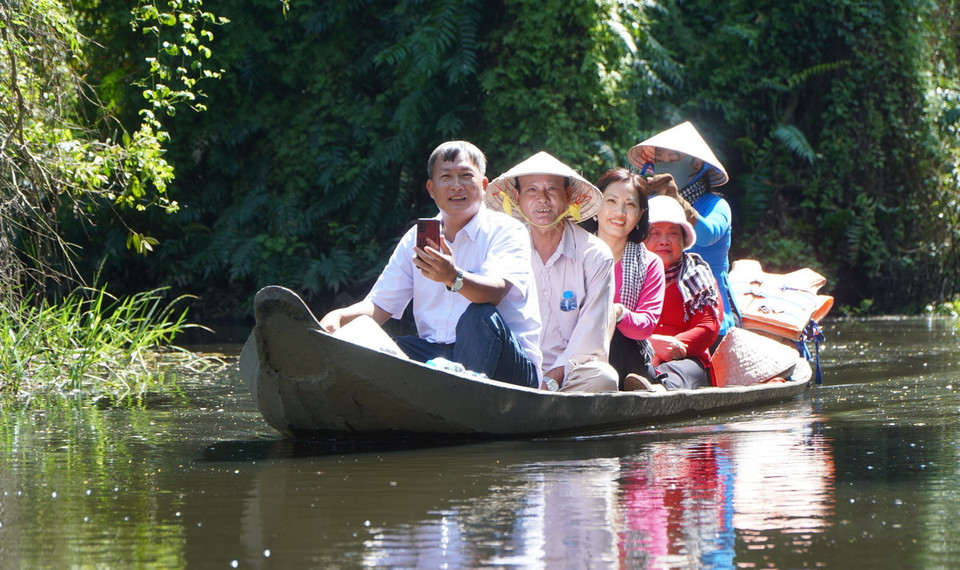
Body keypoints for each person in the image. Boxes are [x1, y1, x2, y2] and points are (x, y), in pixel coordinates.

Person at [319, 140, 542, 388]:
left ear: (484, 185)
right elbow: (379, 306)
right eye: (446, 177)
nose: (456, 186)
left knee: (480, 314)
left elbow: (496, 291)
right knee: (385, 346)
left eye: (466, 176)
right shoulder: (415, 239)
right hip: (440, 358)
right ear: (431, 188)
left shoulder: (507, 230)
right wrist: (338, 317)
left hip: (508, 365)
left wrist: (453, 277)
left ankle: (461, 399)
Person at [485, 151, 618, 393]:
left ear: (568, 196)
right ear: (517, 197)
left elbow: (589, 336)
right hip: (517, 366)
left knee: (604, 378)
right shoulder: (502, 247)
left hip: (570, 372)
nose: (542, 199)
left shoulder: (595, 254)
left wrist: (551, 379)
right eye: (532, 190)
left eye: (552, 189)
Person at [628, 122, 741, 340]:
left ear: (696, 165)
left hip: (709, 312)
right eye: (659, 160)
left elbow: (707, 235)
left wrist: (676, 199)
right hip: (657, 309)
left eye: (673, 159)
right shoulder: (651, 204)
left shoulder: (715, 205)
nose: (664, 165)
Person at [580, 168, 665, 386]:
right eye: (611, 201)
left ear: (639, 216)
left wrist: (616, 312)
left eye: (630, 204)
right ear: (596, 207)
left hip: (628, 356)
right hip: (573, 348)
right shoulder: (574, 252)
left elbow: (646, 324)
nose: (620, 211)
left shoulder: (650, 263)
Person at [636, 195, 720, 391]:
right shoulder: (628, 272)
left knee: (675, 373)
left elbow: (708, 327)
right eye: (654, 233)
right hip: (639, 355)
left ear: (683, 240)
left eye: (673, 233)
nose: (664, 241)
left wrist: (671, 347)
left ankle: (657, 388)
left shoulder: (698, 274)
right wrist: (651, 346)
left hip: (688, 362)